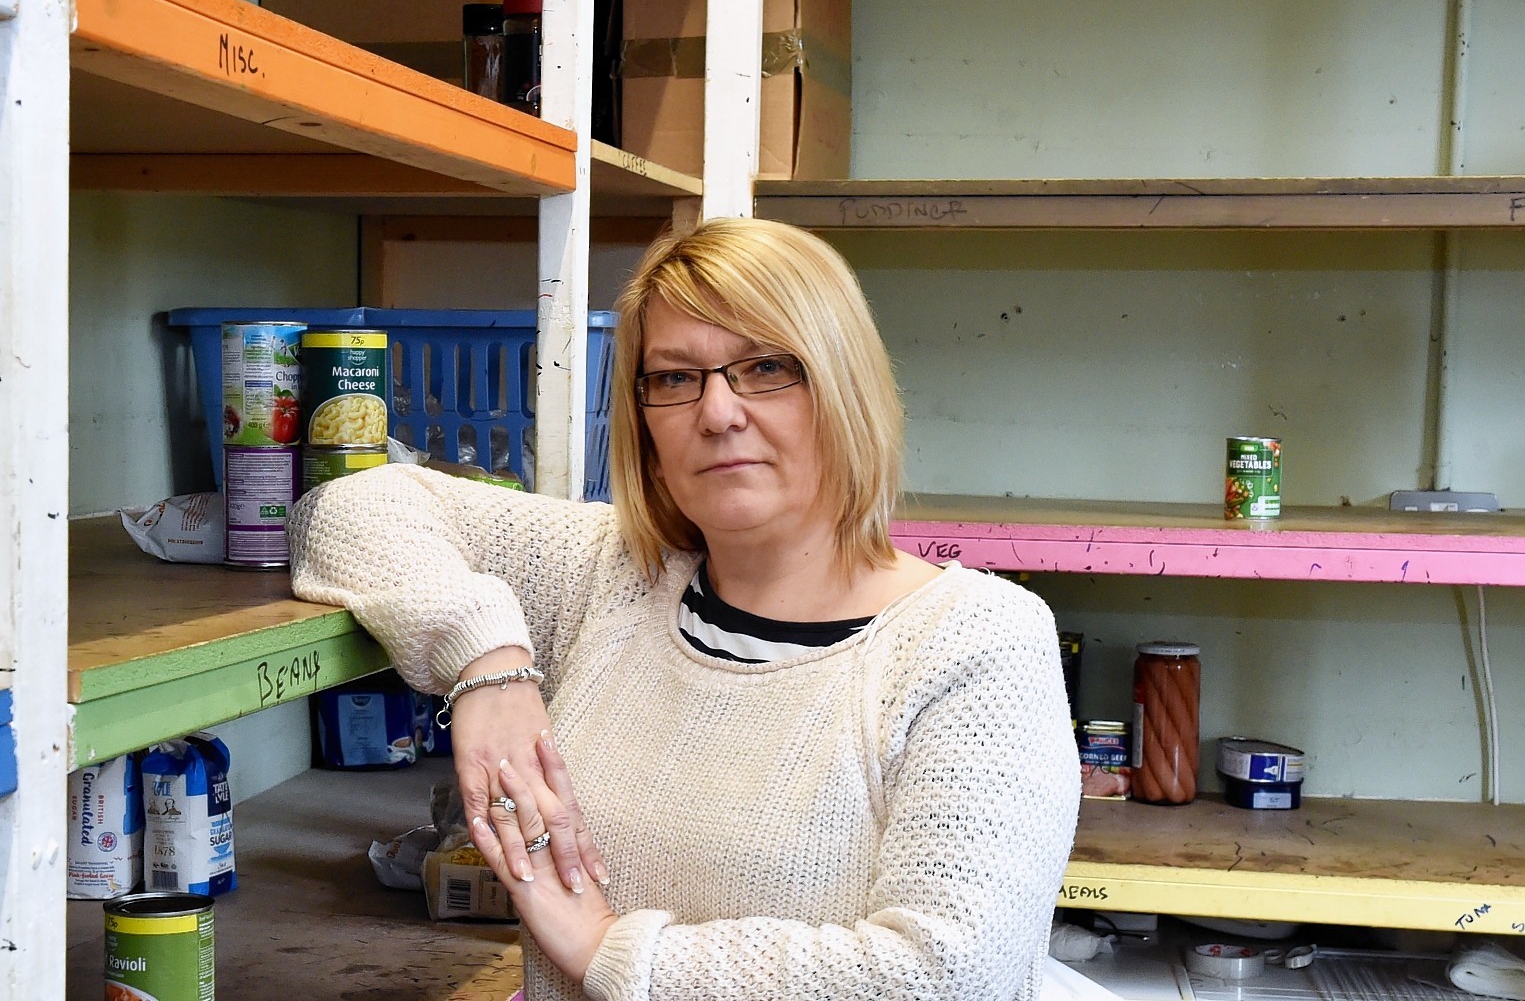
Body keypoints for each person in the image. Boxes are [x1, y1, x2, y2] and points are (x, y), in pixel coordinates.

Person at [288, 217, 1081, 1000]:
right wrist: (486, 661)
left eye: (765, 367)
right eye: (673, 378)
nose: (718, 412)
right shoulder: (614, 573)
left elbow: (951, 974)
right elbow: (348, 509)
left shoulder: (975, 639)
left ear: (844, 386)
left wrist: (614, 952)